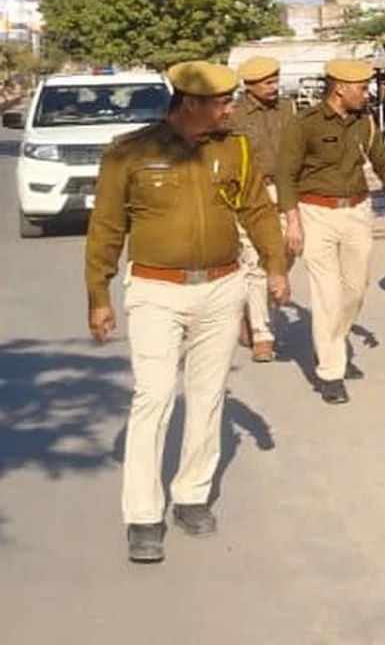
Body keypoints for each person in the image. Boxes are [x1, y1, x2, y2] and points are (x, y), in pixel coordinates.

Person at [85, 61, 289, 563]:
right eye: (222, 102)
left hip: (222, 287)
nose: (231, 109)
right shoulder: (130, 153)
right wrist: (98, 295)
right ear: (190, 103)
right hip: (156, 290)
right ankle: (143, 515)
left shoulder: (235, 147)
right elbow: (107, 226)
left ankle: (192, 495)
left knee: (206, 395)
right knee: (153, 397)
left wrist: (276, 265)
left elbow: (257, 211)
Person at [277, 59, 385, 405]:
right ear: (340, 88)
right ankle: (331, 370)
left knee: (355, 288)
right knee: (327, 295)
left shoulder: (364, 122)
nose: (368, 94)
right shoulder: (304, 124)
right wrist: (292, 218)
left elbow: (382, 159)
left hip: (356, 211)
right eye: (362, 88)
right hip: (315, 211)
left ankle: (336, 342)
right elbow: (286, 173)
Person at [230, 56, 296, 364]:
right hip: (251, 196)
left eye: (276, 80)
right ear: (249, 86)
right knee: (256, 263)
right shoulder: (233, 115)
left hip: (286, 191)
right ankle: (262, 334)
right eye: (267, 83)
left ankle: (250, 309)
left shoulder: (288, 108)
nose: (274, 87)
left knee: (284, 256)